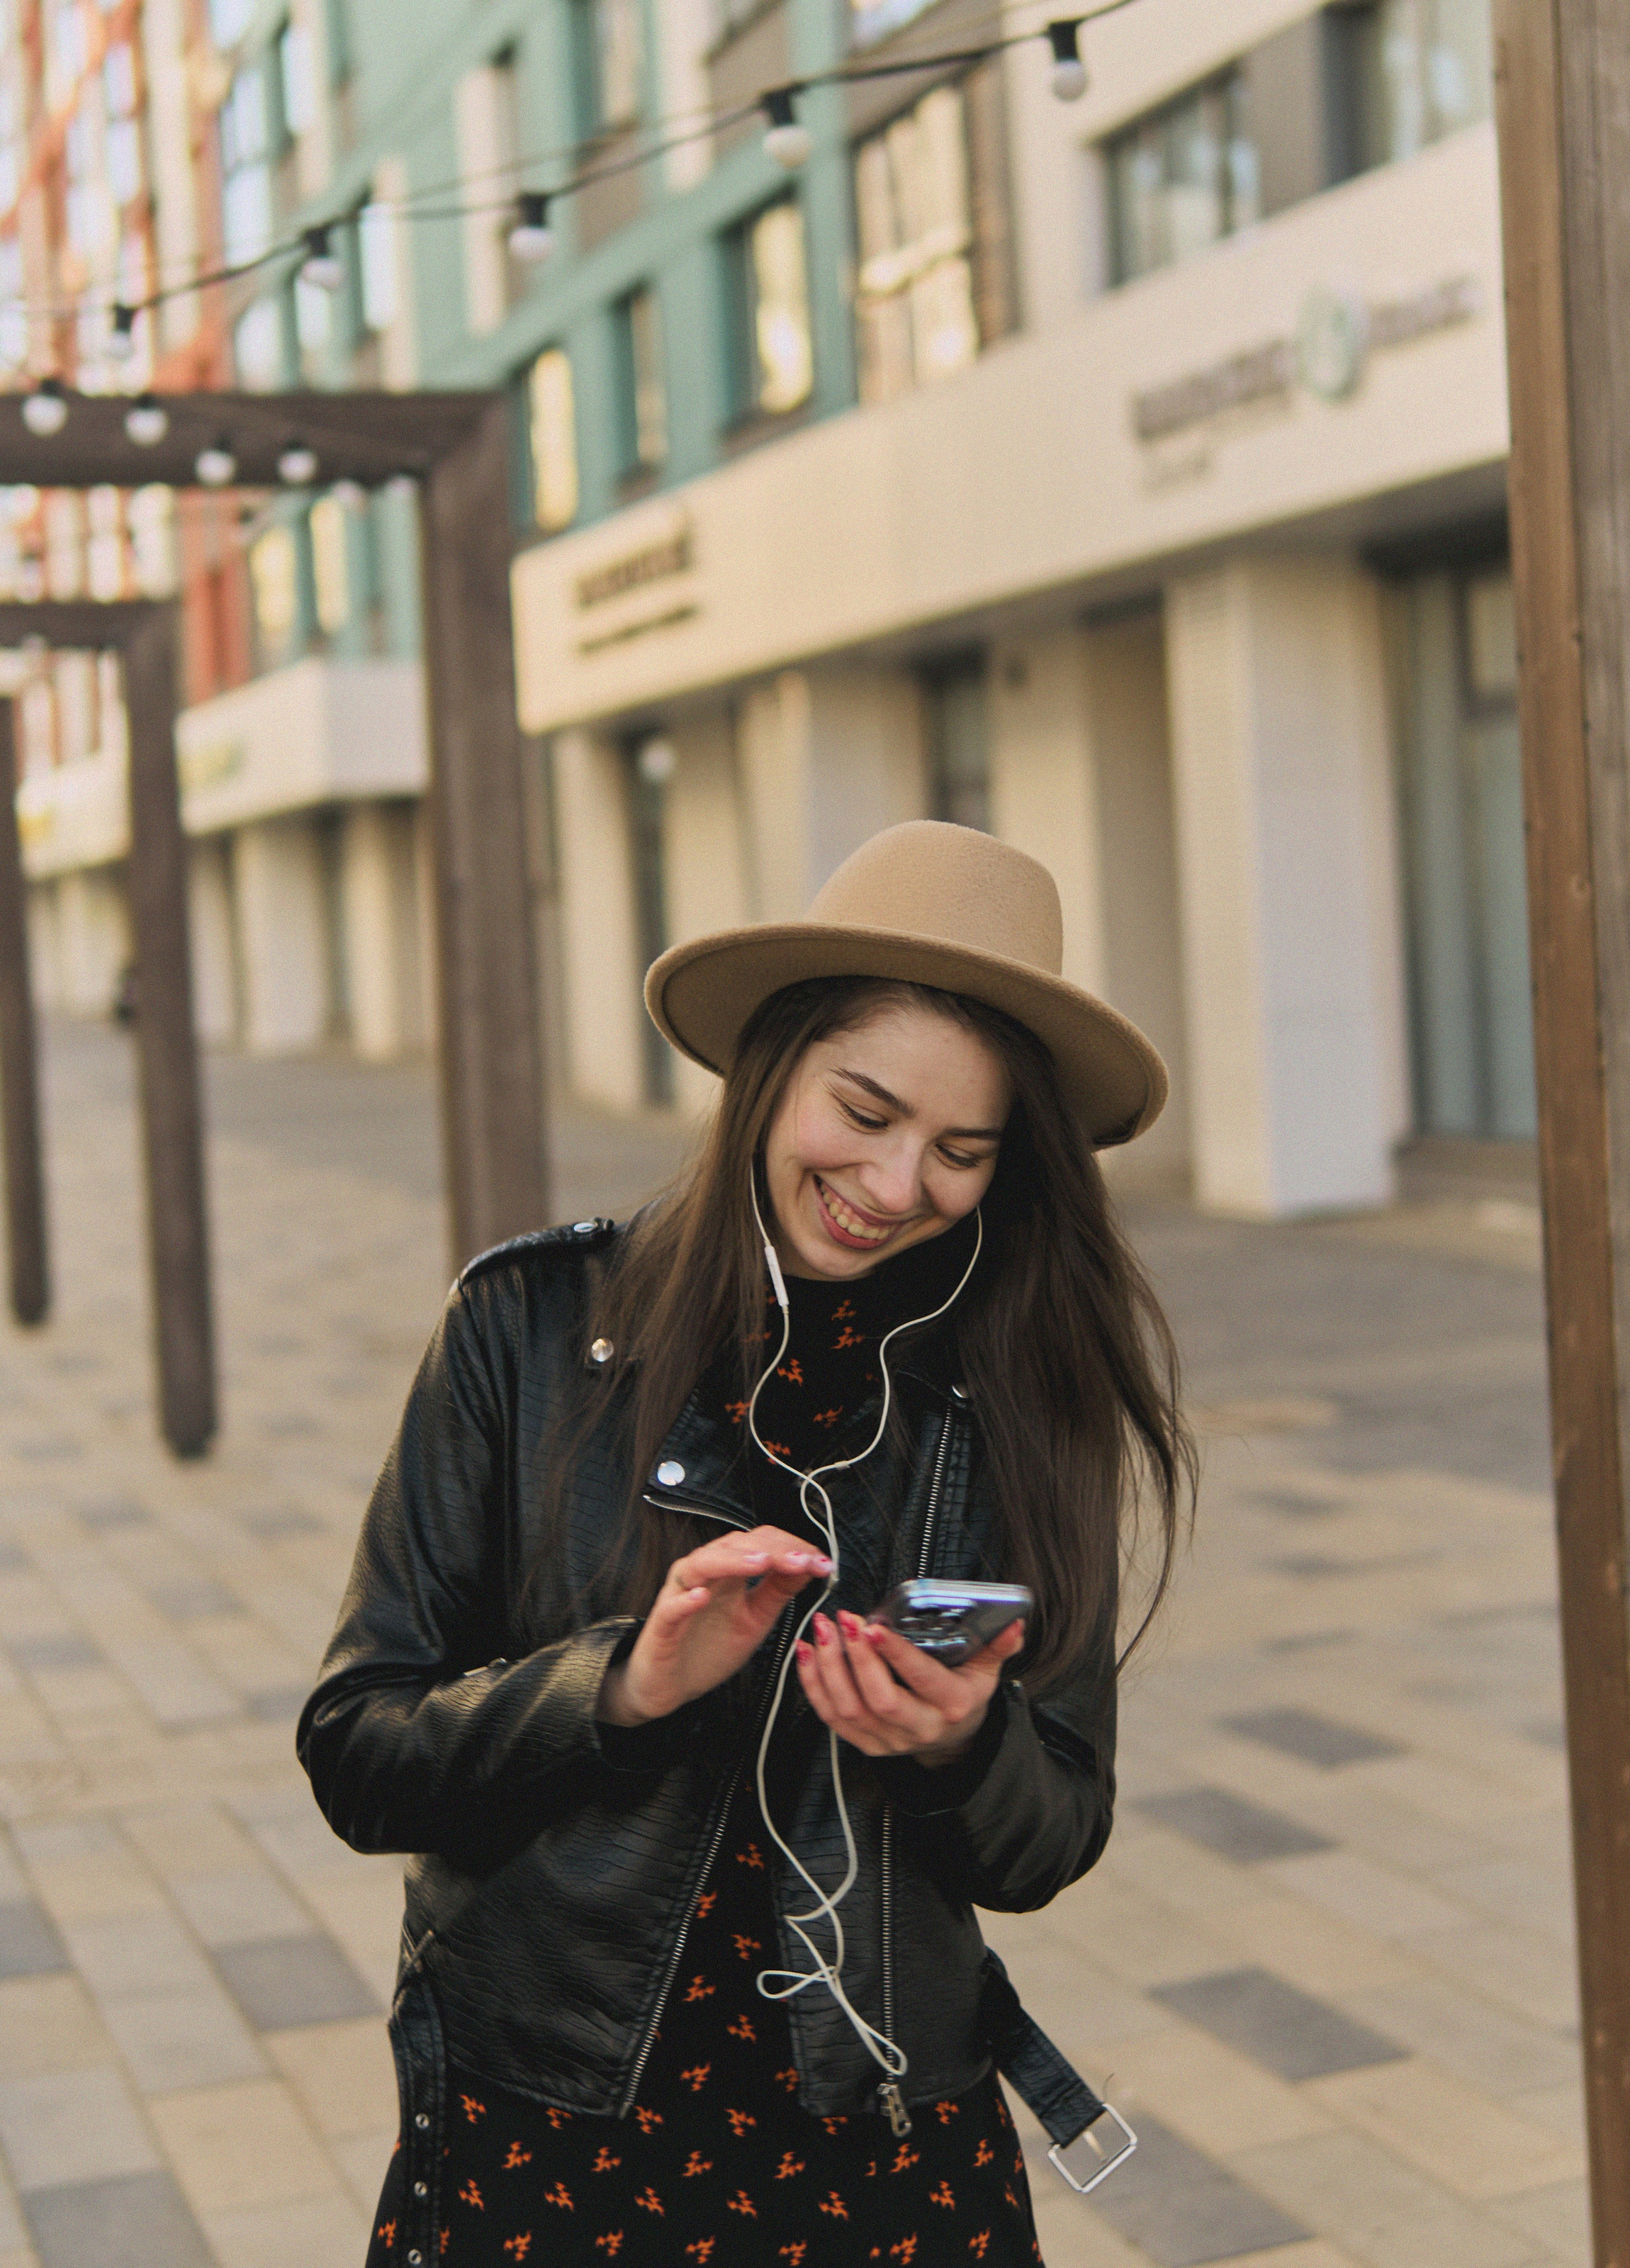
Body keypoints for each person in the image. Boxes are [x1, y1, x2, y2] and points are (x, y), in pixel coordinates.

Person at [299, 819, 1195, 2266]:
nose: (897, 1184)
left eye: (961, 1151)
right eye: (864, 1109)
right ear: (771, 1066)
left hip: (884, 2147)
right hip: (553, 2144)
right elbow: (359, 1747)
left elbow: (1051, 1835)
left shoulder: (1027, 1398)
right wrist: (619, 1687)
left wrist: (958, 1743)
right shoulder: (526, 1330)